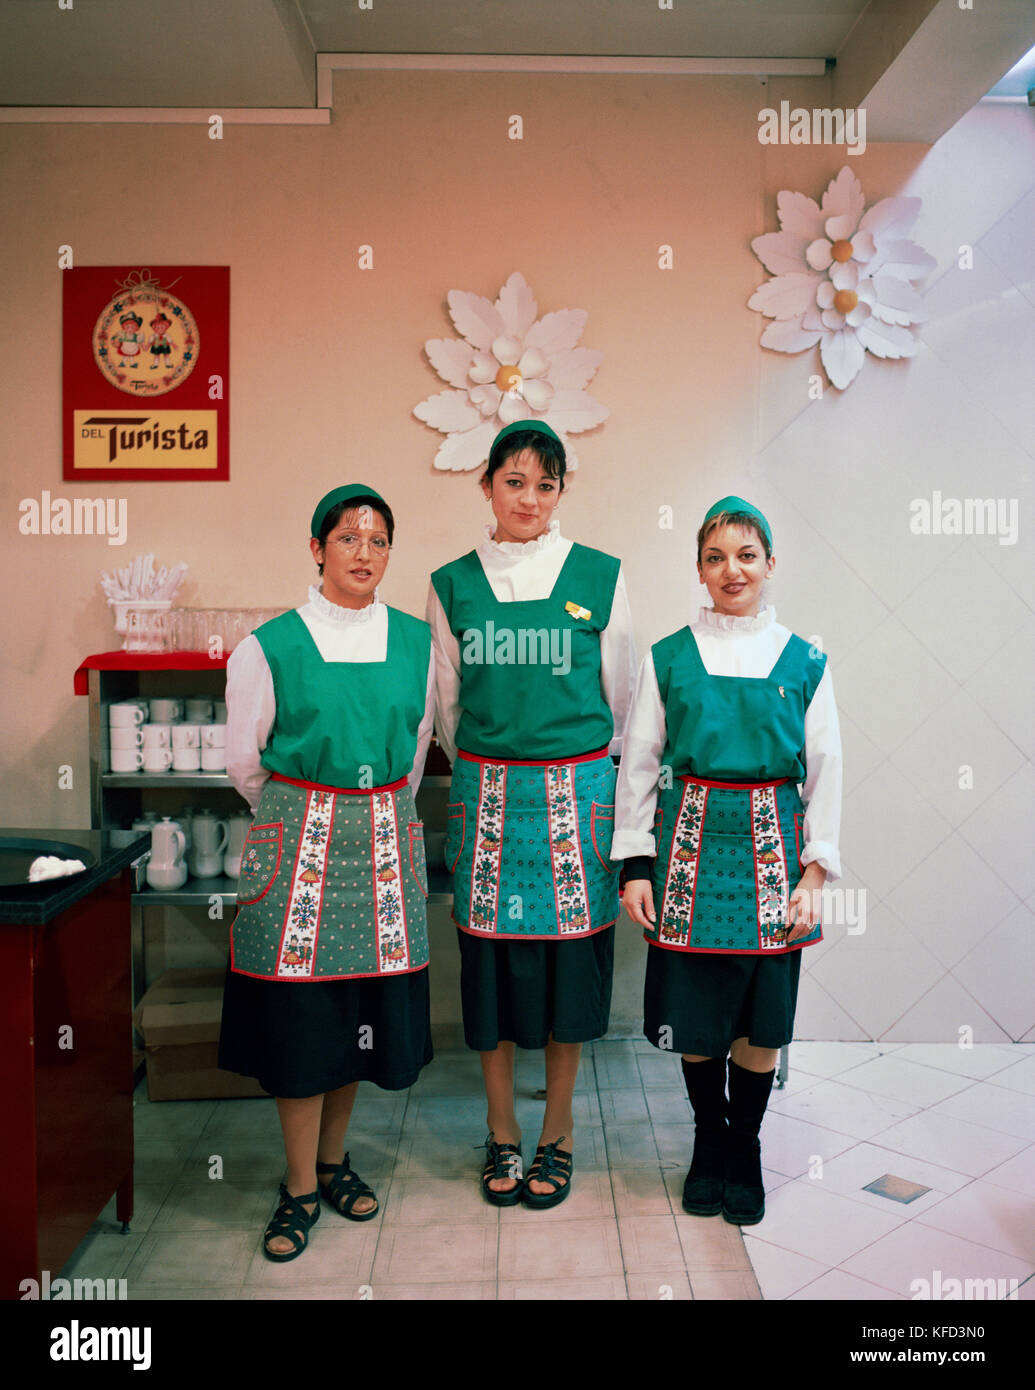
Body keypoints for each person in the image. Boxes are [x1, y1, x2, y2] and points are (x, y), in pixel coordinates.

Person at [218, 484, 435, 1260]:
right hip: (302, 842)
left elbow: (412, 753)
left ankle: (335, 1160)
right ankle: (298, 1184)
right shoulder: (269, 644)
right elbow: (246, 761)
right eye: (347, 538)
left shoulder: (417, 642)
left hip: (380, 842)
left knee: (358, 1014)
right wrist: (310, 809)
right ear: (317, 548)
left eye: (378, 541)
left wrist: (368, 810)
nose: (364, 554)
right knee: (304, 1019)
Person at [613, 496, 842, 1226]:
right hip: (687, 856)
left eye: (746, 555)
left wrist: (815, 870)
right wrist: (635, 863)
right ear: (699, 570)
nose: (731, 569)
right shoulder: (668, 656)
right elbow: (640, 763)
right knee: (697, 1012)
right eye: (715, 557)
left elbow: (826, 765)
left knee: (759, 1015)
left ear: (769, 564)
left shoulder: (804, 660)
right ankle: (706, 1140)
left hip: (773, 857)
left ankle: (743, 1146)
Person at [427, 420, 637, 1208]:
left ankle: (558, 1132)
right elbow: (444, 708)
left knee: (565, 973)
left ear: (559, 493)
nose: (528, 498)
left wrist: (565, 763)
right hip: (487, 801)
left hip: (573, 801)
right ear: (486, 487)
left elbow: (620, 702)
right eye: (513, 481)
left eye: (544, 485)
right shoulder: (452, 583)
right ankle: (501, 1131)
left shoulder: (602, 576)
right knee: (489, 971)